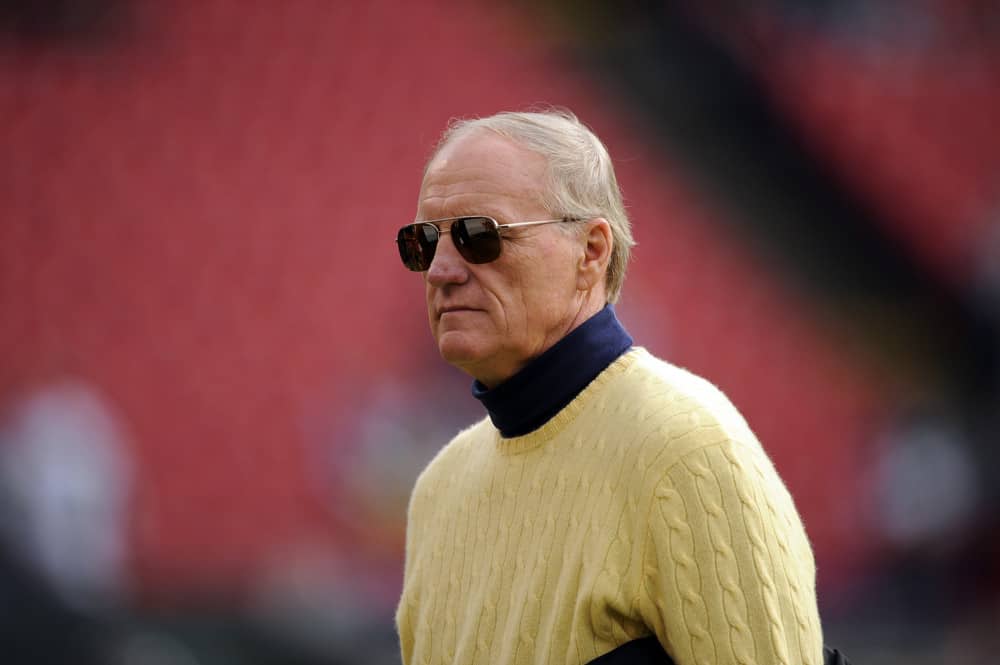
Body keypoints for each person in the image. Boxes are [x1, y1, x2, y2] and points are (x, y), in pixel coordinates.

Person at [394, 109, 825, 665]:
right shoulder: (438, 490)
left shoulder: (687, 451)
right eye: (424, 243)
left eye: (479, 237)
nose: (441, 271)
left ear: (591, 252)